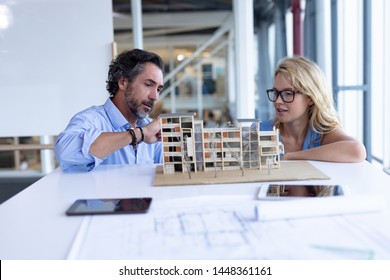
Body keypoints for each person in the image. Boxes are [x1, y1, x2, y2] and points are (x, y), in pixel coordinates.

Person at [54, 49, 165, 171]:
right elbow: (64, 153)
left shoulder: (150, 129)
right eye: (148, 84)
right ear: (123, 82)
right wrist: (139, 134)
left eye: (158, 89)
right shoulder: (91, 119)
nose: (155, 97)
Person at [262, 56, 366, 162]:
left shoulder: (321, 134)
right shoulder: (261, 131)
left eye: (288, 93)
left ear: (310, 98)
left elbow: (357, 151)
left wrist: (291, 156)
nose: (277, 101)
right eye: (275, 93)